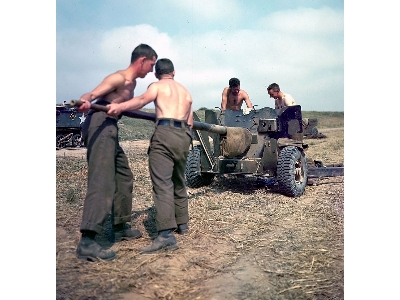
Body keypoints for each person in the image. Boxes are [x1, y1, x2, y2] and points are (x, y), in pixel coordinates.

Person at [75, 44, 158, 262]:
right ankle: (88, 241)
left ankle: (120, 226)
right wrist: (86, 100)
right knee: (102, 181)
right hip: (100, 124)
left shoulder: (130, 86)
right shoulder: (119, 78)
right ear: (141, 60)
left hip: (111, 127)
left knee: (124, 176)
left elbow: (127, 108)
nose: (151, 70)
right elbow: (92, 94)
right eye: (151, 64)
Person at [107, 58, 193, 254]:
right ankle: (182, 224)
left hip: (165, 133)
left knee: (162, 183)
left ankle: (165, 235)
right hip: (184, 136)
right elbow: (190, 122)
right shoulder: (186, 92)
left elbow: (141, 101)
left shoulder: (157, 86)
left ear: (156, 74)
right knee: (178, 179)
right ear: (174, 72)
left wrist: (120, 107)